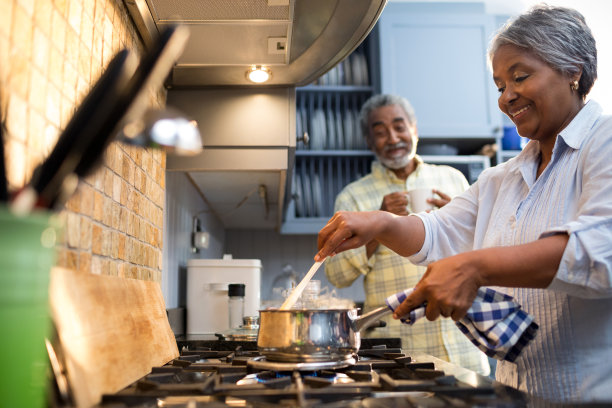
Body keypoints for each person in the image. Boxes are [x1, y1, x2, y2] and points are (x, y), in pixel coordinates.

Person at [316, 4, 612, 403]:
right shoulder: (501, 178)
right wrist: (381, 223)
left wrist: (473, 267)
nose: (507, 97)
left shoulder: (604, 142)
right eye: (499, 86)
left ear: (572, 70)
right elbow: (438, 232)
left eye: (520, 77)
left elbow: (599, 250)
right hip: (513, 393)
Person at [324, 94, 490, 375]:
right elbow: (338, 275)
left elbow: (485, 248)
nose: (392, 138)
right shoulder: (353, 197)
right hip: (399, 353)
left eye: (399, 127)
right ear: (369, 141)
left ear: (414, 129)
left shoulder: (452, 179)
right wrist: (379, 224)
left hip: (465, 343)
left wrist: (459, 220)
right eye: (380, 132)